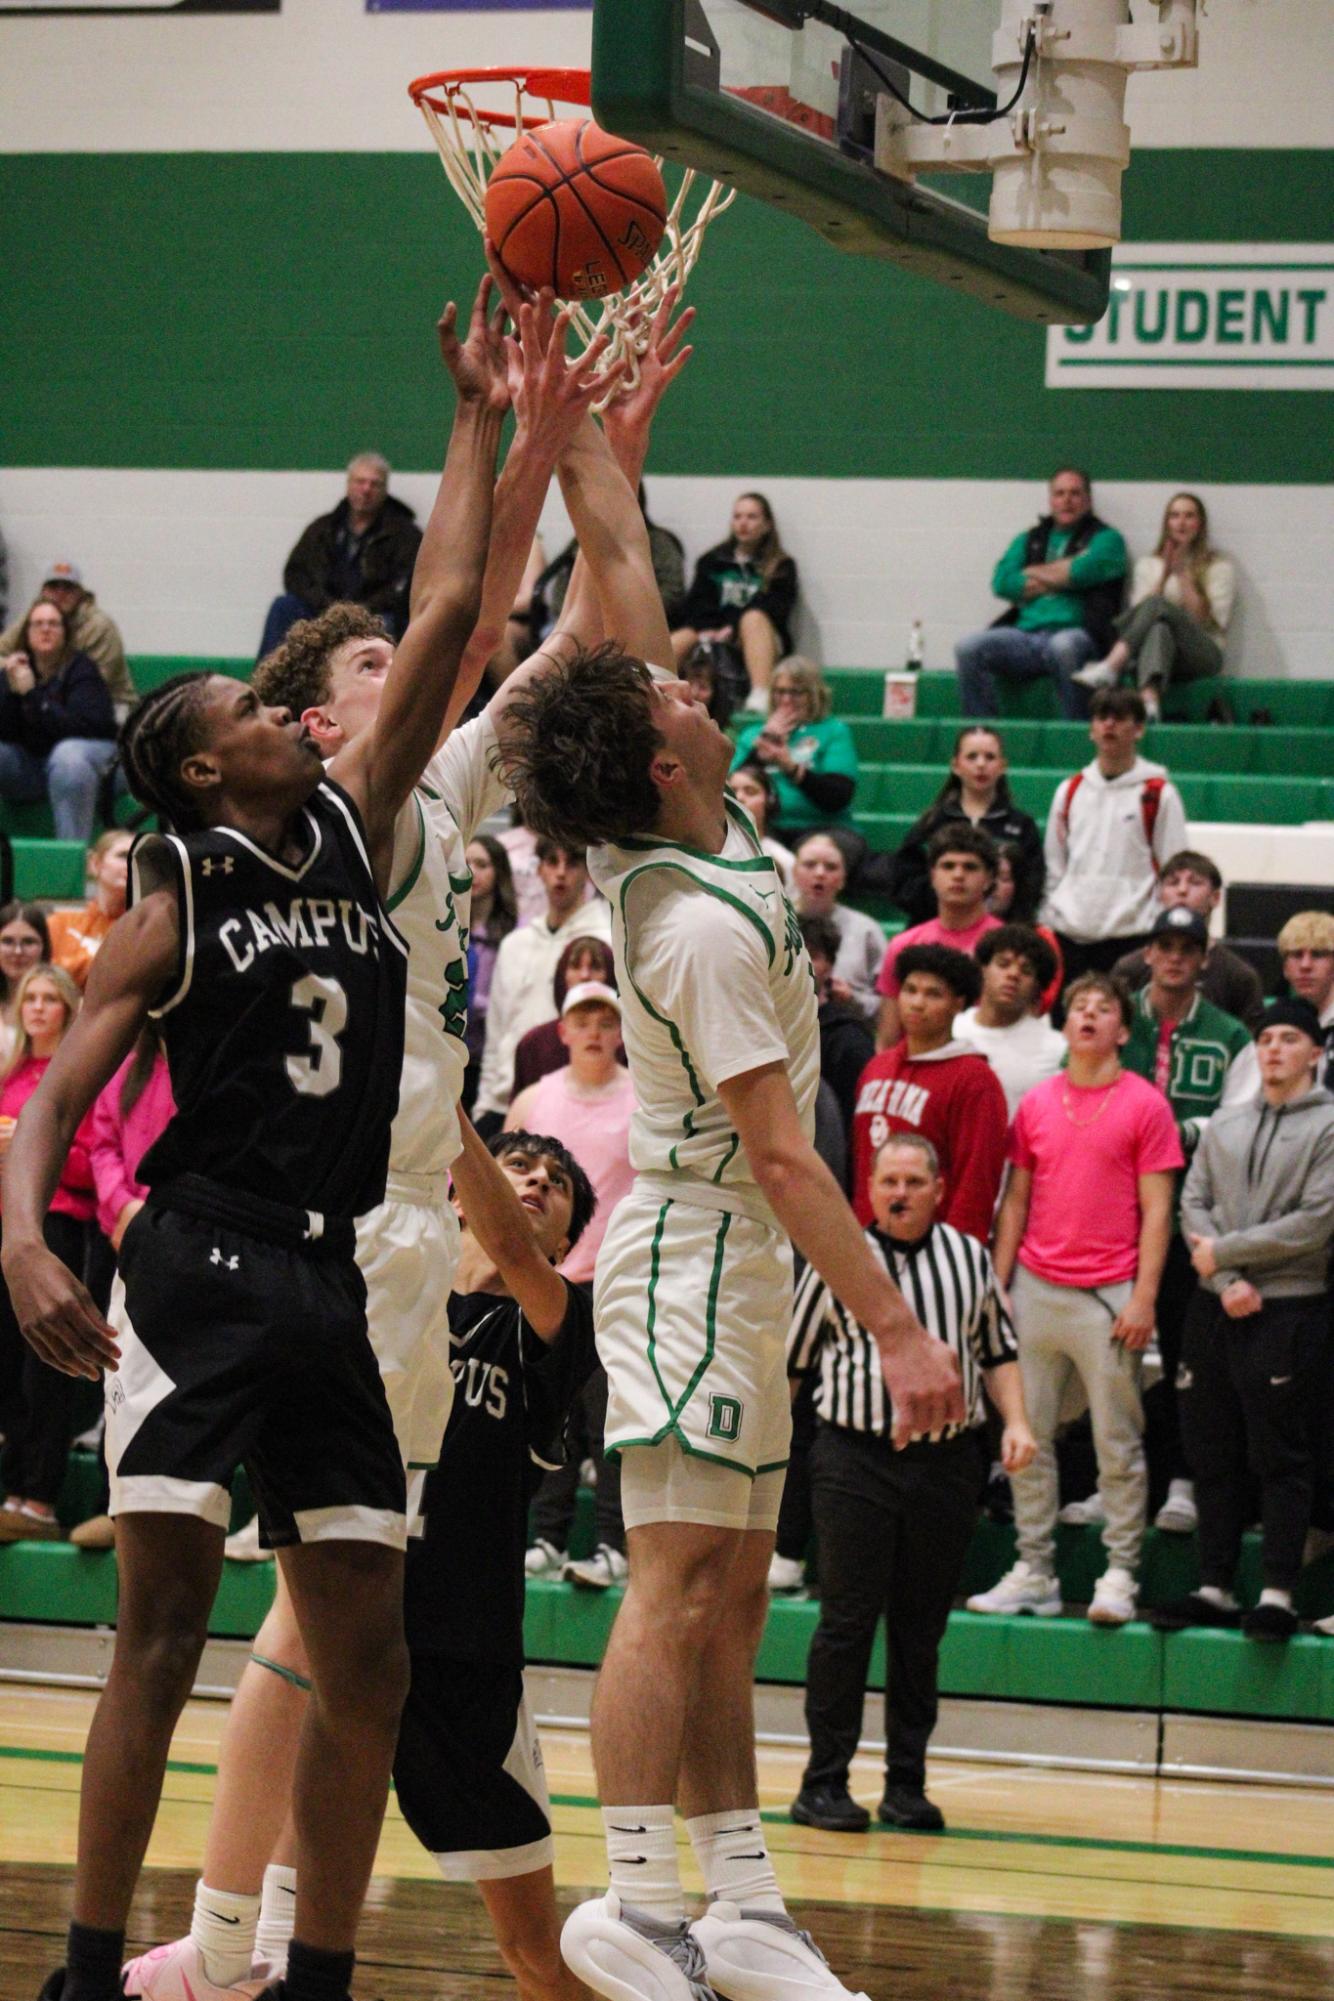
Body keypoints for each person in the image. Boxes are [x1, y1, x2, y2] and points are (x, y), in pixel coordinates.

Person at [113, 290, 636, 2001]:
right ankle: (231, 1934)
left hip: (405, 1222)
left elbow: (552, 636)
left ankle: (237, 1935)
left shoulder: (415, 788)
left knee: (341, 1615)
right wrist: (513, 434)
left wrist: (573, 455)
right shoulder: (358, 806)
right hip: (348, 1242)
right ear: (314, 723)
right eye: (360, 671)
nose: (402, 670)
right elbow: (462, 611)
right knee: (324, 1615)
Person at [3, 273, 515, 2001]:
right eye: (243, 707)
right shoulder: (178, 883)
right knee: (157, 1631)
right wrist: (19, 1237)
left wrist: (473, 404)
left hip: (325, 1274)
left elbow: (444, 601)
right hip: (200, 1255)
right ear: (203, 769)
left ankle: (317, 1979)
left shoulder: (356, 841)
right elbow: (62, 1087)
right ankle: (85, 1968)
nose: (278, 709)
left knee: (363, 1658)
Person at [490, 311, 962, 2001]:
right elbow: (779, 1154)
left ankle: (741, 1901)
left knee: (730, 1582)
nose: (692, 673)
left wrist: (609, 435)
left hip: (733, 1268)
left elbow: (623, 582)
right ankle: (626, 1899)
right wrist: (896, 1327)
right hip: (696, 1249)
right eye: (674, 690)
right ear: (658, 752)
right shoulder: (682, 920)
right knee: (674, 1580)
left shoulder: (703, 817)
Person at [395, 1119, 599, 2001]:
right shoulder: (390, 1292)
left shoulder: (552, 1324)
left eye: (556, 1182)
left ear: (562, 1242)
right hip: (350, 1618)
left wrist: (444, 1108)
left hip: (463, 1654)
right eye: (518, 1164)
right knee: (275, 1901)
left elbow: (511, 1249)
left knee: (532, 1950)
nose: (536, 1178)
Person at [788, 1135, 1034, 1835]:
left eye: (913, 1180)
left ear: (938, 1186)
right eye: (887, 1180)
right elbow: (794, 1363)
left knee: (921, 1631)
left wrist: (1015, 1421)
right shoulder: (840, 1259)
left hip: (946, 1463)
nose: (899, 1192)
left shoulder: (969, 1258)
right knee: (846, 1624)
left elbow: (998, 1350)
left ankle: (907, 1786)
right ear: (870, 1187)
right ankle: (823, 1782)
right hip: (852, 1459)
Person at [969, 975, 1182, 1627]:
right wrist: (996, 1289)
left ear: (1122, 1030)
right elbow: (1016, 1201)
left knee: (1115, 1439)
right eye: (1079, 1008)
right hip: (1033, 1288)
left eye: (1104, 1009)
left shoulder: (1146, 1105)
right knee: (1024, 1435)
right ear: (1066, 1027)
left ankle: (1120, 1570)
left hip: (1108, 1294)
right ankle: (1035, 1569)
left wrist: (1144, 1297)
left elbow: (1158, 1210)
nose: (1089, 1015)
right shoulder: (1036, 1102)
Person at [1159, 1000, 1334, 1640]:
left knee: (1281, 1454)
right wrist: (1225, 1279)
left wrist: (1225, 1256)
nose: (1274, 1050)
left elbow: (1315, 1222)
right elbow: (1193, 1204)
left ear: (1315, 1052)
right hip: (1217, 1306)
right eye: (1265, 1039)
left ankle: (1278, 1593)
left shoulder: (1328, 1127)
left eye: (1289, 1039)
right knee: (1212, 1446)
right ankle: (1214, 1584)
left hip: (1290, 1307)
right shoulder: (1226, 1125)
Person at [1116, 905, 1257, 1536]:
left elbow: (1239, 1119)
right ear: (1147, 952)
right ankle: (1112, 1479)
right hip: (1111, 1220)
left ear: (1205, 958)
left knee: (1183, 1358)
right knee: (1107, 1354)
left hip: (1190, 1226)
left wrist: (1174, 1133)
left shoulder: (1231, 1036)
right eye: (1163, 945)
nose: (1174, 956)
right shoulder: (1116, 1018)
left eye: (1187, 947)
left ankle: (1181, 1480)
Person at [0, 965, 95, 1546]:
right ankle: (14, 1492)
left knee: (46, 1368)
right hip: (10, 1229)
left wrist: (25, 1151)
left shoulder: (75, 1077)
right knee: (9, 1365)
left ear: (67, 1007)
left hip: (58, 1224)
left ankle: (40, 1495)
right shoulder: (11, 1076)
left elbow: (87, 1160)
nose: (37, 1008)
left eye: (48, 999)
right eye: (28, 999)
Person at [851, 944, 1007, 1237]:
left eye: (933, 994)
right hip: (866, 1243)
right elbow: (861, 1170)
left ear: (958, 1004)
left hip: (932, 1249)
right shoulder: (876, 1068)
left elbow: (976, 1184)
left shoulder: (975, 1081)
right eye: (910, 990)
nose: (917, 1003)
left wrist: (955, 1257)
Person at [1040, 688, 1188, 990]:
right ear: (1091, 729)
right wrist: (1051, 917)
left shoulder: (1159, 794)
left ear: (1139, 729)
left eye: (1120, 718)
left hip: (1132, 937)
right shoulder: (1069, 791)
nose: (1109, 725)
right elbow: (1054, 865)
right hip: (1070, 937)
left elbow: (1174, 868)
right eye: (1101, 717)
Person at [955, 469, 1128, 721]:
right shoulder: (1030, 539)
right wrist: (1064, 575)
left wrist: (1033, 573)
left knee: (1063, 646)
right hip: (1026, 637)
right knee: (967, 648)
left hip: (1080, 636)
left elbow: (1081, 572)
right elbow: (1003, 583)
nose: (1067, 500)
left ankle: (1075, 734)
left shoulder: (1107, 540)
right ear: (1051, 500)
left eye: (1075, 493)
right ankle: (981, 733)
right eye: (1059, 493)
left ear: (1088, 500)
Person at [473, 840, 611, 1128]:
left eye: (571, 863)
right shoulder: (515, 944)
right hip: (503, 1101)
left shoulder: (603, 944)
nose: (561, 873)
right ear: (539, 870)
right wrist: (485, 1105)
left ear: (587, 871)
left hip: (568, 1103)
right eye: (552, 862)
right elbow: (497, 1033)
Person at [507, 983, 637, 1286]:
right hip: (539, 1277)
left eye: (605, 1024)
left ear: (620, 1034)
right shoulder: (530, 1101)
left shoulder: (646, 1102)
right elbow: (503, 1186)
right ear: (563, 1032)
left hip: (622, 1278)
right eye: (582, 1024)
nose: (594, 1034)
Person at [1073, 492, 1235, 721]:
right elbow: (1139, 619)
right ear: (1166, 523)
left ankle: (1112, 665)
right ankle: (1149, 702)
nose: (1181, 522)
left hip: (1203, 653)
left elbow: (1207, 622)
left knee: (1158, 607)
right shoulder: (1148, 565)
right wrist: (1163, 578)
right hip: (1161, 652)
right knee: (1158, 628)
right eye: (1175, 516)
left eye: (1189, 516)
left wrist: (1182, 575)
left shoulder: (1219, 566)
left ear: (1200, 524)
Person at [258, 452, 423, 658]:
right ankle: (268, 685)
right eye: (360, 482)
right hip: (322, 611)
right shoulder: (323, 528)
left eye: (374, 484)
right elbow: (295, 574)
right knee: (283, 607)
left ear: (385, 489)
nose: (366, 489)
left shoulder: (406, 535)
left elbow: (405, 587)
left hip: (373, 616)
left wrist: (357, 612)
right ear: (348, 484)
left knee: (389, 624)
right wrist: (327, 607)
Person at [887, 727, 1044, 929]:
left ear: (1002, 766)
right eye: (972, 757)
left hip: (999, 937)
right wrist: (950, 903)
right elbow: (904, 885)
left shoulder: (1022, 825)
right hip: (936, 930)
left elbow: (1030, 886)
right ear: (956, 765)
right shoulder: (931, 823)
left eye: (989, 757)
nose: (981, 764)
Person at [0, 597, 119, 843]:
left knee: (67, 755)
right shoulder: (17, 670)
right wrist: (10, 692)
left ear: (65, 633)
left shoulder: (82, 670)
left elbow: (83, 727)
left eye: (54, 624)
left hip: (90, 763)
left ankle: (70, 858)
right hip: (33, 767)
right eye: (38, 624)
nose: (46, 629)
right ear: (27, 633)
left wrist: (32, 695)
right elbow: (7, 732)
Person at [875, 825, 1001, 1050]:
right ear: (932, 876)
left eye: (970, 867)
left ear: (990, 878)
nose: (958, 875)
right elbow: (887, 1038)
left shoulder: (1004, 947)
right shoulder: (903, 945)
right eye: (948, 866)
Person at [1111, 849, 1265, 1031]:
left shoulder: (1239, 977)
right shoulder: (1130, 969)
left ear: (1215, 897)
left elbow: (1250, 1046)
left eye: (1195, 883)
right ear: (1160, 895)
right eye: (1173, 883)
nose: (1182, 890)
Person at [670, 490, 798, 708]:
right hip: (713, 629)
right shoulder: (712, 561)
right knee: (681, 636)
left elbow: (775, 608)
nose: (743, 523)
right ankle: (654, 688)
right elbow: (697, 604)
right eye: (738, 516)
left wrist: (732, 627)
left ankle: (760, 695)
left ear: (767, 524)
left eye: (751, 517)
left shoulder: (781, 566)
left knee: (753, 618)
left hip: (759, 635)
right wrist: (706, 628)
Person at [729, 657, 859, 842]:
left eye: (796, 693)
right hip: (765, 827)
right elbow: (731, 790)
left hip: (823, 827)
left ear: (814, 695)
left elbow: (838, 797)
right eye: (780, 692)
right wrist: (758, 755)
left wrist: (791, 767)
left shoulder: (833, 731)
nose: (786, 700)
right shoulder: (753, 735)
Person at [955, 926, 1065, 1121]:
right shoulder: (951, 1030)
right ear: (983, 970)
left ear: (1037, 987)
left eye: (1026, 970)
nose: (1013, 974)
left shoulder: (1056, 1049)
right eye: (1003, 964)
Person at [0, 560, 135, 718]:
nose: (60, 593)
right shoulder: (33, 617)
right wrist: (13, 669)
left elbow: (95, 684)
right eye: (53, 587)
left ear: (80, 593)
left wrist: (32, 687)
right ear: (43, 592)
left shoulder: (99, 626)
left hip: (108, 702)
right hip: (47, 699)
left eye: (68, 588)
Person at [789, 831, 883, 1024]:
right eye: (810, 864)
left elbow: (889, 1006)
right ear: (794, 873)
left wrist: (852, 999)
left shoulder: (866, 930)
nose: (820, 873)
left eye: (831, 867)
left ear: (843, 879)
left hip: (846, 1030)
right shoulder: (772, 921)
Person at [509, 934, 620, 1098]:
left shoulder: (629, 1044)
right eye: (575, 966)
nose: (584, 975)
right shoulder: (532, 1044)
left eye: (595, 967)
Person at [799, 913, 875, 1148]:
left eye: (813, 955)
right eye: (794, 952)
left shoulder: (849, 1040)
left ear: (830, 966)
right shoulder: (761, 1025)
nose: (802, 963)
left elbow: (854, 1129)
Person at [462, 832, 518, 1112]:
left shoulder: (513, 937)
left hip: (488, 1060)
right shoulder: (447, 928)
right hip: (452, 1054)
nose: (472, 872)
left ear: (499, 872)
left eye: (482, 864)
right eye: (466, 863)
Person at [47, 830, 134, 990]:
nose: (131, 863)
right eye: (122, 856)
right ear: (95, 864)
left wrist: (71, 967)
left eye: (138, 858)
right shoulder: (59, 923)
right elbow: (44, 976)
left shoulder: (143, 928)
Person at [1277, 911, 1334, 1090]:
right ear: (1285, 968)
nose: (1305, 965)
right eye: (1296, 955)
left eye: (1317, 955)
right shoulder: (1275, 1025)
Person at [0, 900, 51, 1066]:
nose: (17, 951)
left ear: (45, 947)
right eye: (7, 941)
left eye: (28, 942)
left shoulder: (62, 1002)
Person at [728, 761, 795, 881]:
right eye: (732, 792)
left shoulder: (784, 860)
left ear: (769, 801)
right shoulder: (705, 850)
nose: (739, 798)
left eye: (750, 792)